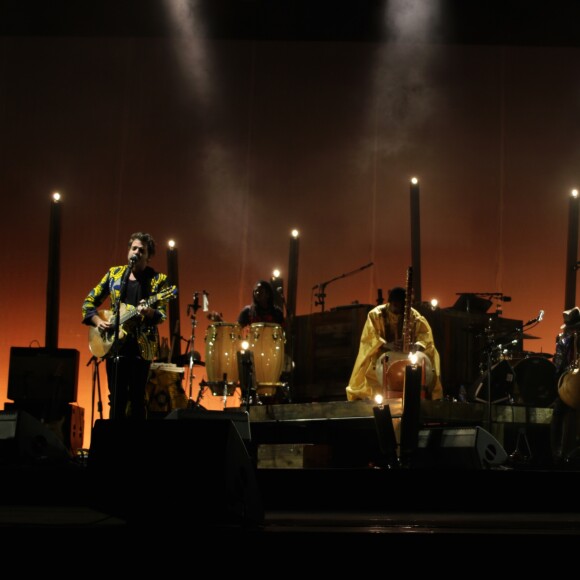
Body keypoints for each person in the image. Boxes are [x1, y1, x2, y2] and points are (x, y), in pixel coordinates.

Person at [82, 232, 172, 420]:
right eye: (134, 248)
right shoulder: (114, 275)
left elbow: (161, 315)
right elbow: (88, 303)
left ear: (148, 256)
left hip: (141, 347)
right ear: (128, 251)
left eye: (142, 250)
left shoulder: (157, 279)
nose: (137, 252)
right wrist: (99, 322)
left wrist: (148, 312)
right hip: (114, 347)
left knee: (137, 399)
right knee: (116, 399)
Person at [346, 286, 443, 402]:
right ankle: (370, 398)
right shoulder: (376, 315)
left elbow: (425, 336)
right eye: (396, 307)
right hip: (381, 356)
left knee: (430, 353)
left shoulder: (414, 316)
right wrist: (388, 345)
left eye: (402, 308)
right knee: (370, 363)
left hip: (408, 356)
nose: (399, 311)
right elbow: (370, 338)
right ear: (390, 303)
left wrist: (417, 345)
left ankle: (430, 397)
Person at [550, 306, 580, 466]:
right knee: (558, 414)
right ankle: (557, 454)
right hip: (567, 383)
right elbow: (559, 362)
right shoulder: (562, 338)